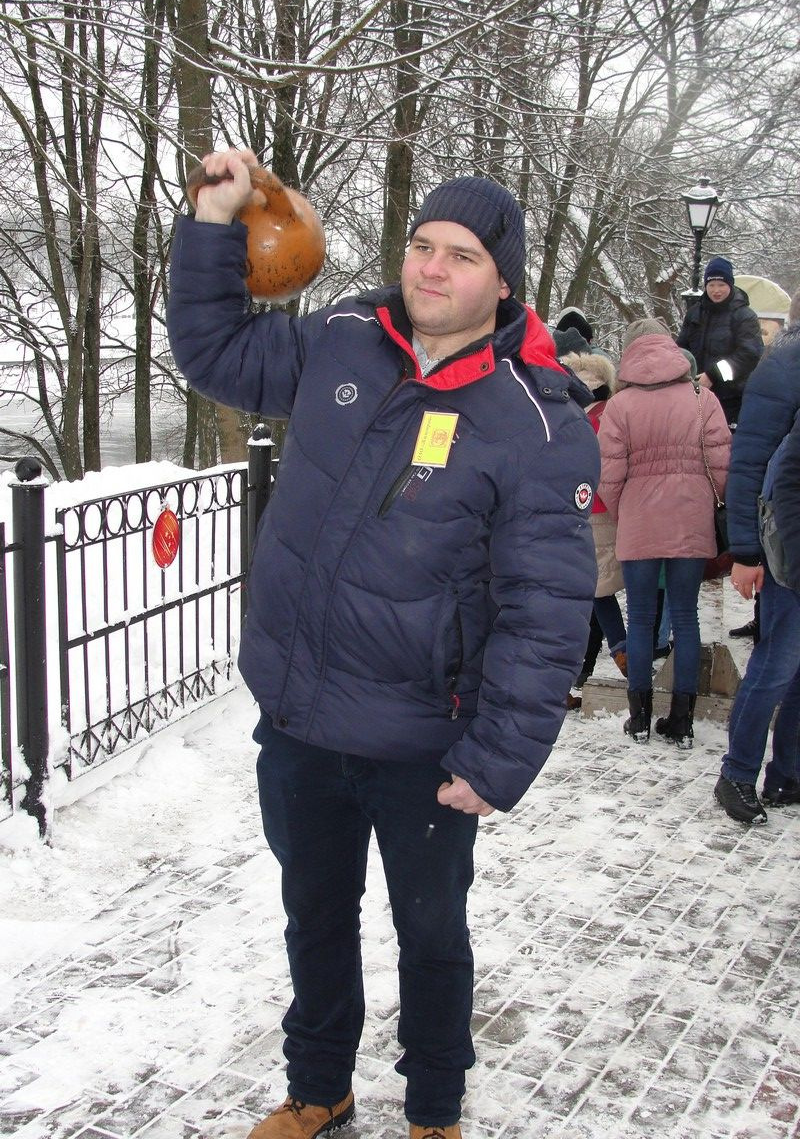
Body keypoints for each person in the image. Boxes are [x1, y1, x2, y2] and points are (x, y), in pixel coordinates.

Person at [167, 149, 599, 1139]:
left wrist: (496, 760)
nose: (431, 268)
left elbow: (544, 611)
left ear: (503, 282)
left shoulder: (534, 422)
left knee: (431, 935)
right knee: (314, 916)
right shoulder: (345, 339)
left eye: (460, 255)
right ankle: (319, 1087)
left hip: (425, 745)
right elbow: (216, 351)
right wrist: (212, 224)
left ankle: (435, 1108)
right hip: (302, 719)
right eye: (421, 245)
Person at [597, 318, 731, 746]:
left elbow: (608, 476)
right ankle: (682, 722)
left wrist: (625, 512)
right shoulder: (702, 398)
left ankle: (639, 719)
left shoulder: (620, 405)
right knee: (686, 618)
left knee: (639, 619)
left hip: (638, 519)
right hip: (691, 518)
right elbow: (722, 466)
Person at [715, 288, 800, 824]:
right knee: (776, 663)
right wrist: (745, 550)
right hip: (786, 543)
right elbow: (749, 462)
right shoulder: (785, 364)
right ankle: (738, 773)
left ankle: (787, 772)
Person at [559, 348, 627, 700]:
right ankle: (594, 663)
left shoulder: (569, 415)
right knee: (597, 592)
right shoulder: (610, 414)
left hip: (578, 510)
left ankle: (620, 652)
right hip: (606, 511)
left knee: (592, 593)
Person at [677, 256, 763, 428]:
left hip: (731, 399)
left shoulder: (744, 316)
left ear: (730, 285)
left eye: (721, 285)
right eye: (711, 285)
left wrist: (713, 375)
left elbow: (748, 355)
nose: (716, 290)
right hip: (694, 394)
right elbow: (681, 348)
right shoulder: (694, 313)